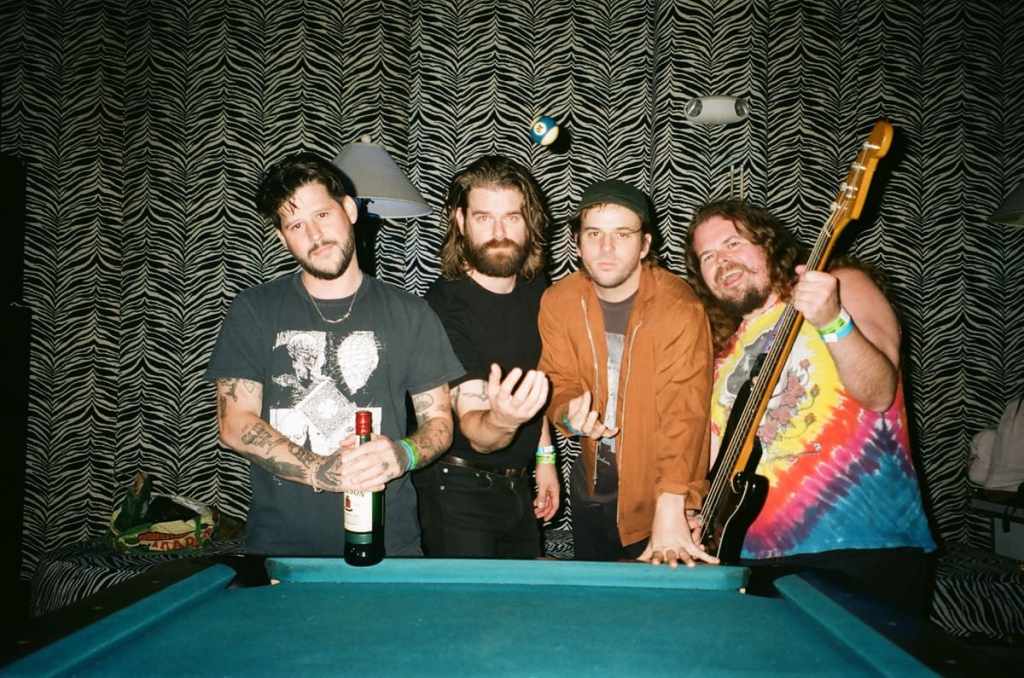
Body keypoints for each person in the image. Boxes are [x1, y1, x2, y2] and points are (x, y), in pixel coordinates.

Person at [206, 152, 463, 557]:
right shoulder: (254, 309)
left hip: (390, 546)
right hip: (282, 549)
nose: (315, 235)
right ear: (282, 238)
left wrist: (404, 453)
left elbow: (440, 423)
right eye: (296, 225)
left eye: (323, 215)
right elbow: (235, 424)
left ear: (349, 210)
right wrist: (320, 471)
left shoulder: (411, 313)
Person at [686, 198, 936, 612]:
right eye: (707, 256)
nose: (722, 261)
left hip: (859, 546)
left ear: (768, 244)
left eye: (733, 243)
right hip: (747, 556)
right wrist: (696, 510)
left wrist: (831, 320)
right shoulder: (722, 349)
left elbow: (879, 392)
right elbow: (714, 455)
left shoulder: (841, 285)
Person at [538, 179, 716, 566]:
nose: (606, 248)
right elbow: (557, 379)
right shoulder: (558, 301)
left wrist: (673, 502)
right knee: (595, 599)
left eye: (622, 234)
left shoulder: (679, 308)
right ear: (577, 242)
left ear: (645, 244)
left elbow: (684, 413)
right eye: (594, 234)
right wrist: (568, 413)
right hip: (591, 489)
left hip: (657, 493)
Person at [417, 155, 559, 558]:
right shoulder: (442, 308)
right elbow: (477, 429)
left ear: (530, 221)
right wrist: (503, 420)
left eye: (512, 217)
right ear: (461, 221)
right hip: (457, 491)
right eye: (484, 218)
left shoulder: (537, 289)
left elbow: (532, 385)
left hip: (517, 486)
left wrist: (545, 458)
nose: (499, 234)